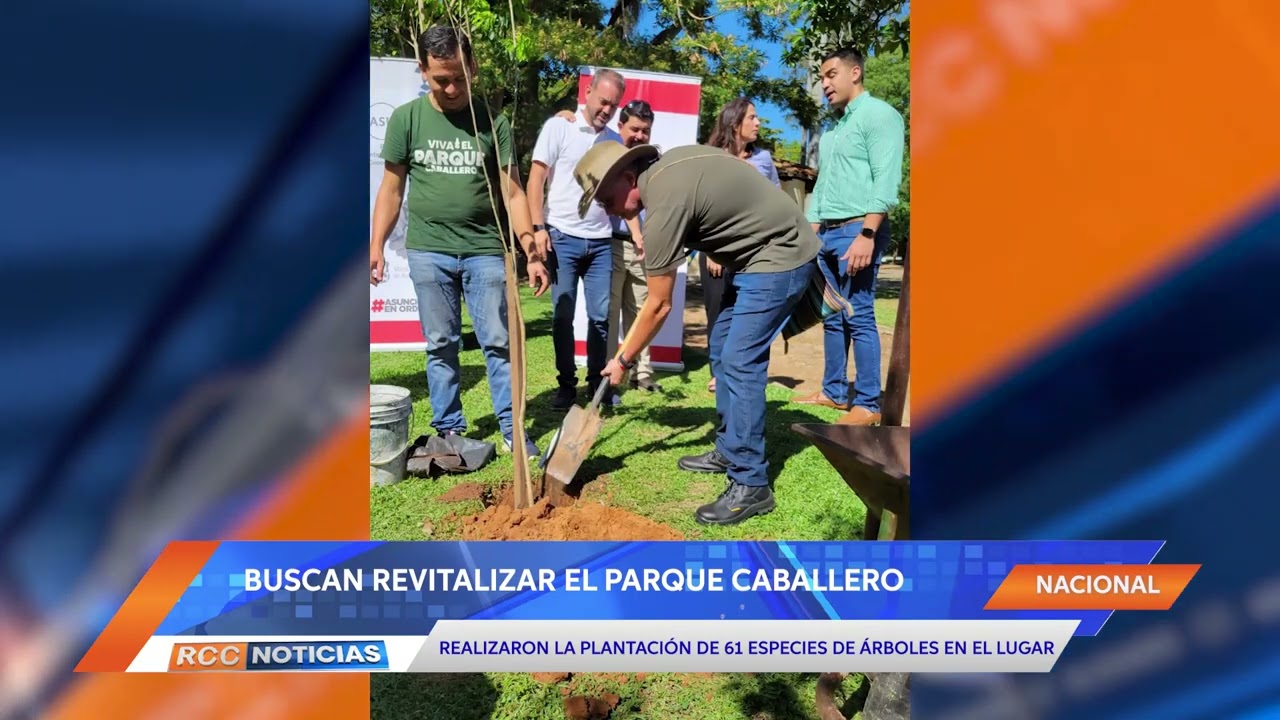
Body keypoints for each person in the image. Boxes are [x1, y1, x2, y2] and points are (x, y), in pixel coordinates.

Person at [574, 141, 820, 526]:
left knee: (740, 361)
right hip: (753, 258)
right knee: (722, 348)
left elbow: (659, 305)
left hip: (780, 255)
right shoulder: (670, 169)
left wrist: (622, 360)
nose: (608, 211)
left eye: (606, 200)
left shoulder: (664, 203)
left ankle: (751, 482)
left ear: (629, 178)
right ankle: (730, 448)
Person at [369, 26, 548, 458]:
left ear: (474, 67)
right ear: (423, 70)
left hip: (485, 250)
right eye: (441, 79)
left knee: (499, 343)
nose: (451, 89)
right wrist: (375, 246)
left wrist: (530, 249)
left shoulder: (493, 121)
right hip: (428, 250)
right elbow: (391, 189)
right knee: (440, 344)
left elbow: (513, 193)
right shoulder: (407, 119)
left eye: (460, 78)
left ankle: (513, 429)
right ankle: (449, 430)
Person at [795, 46, 904, 426]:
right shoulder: (835, 131)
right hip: (827, 232)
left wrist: (868, 233)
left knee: (859, 314)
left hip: (859, 228)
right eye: (822, 78)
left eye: (831, 75)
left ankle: (869, 404)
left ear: (855, 72)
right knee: (831, 314)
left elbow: (886, 179)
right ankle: (834, 392)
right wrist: (809, 234)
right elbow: (823, 187)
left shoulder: (880, 115)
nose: (824, 84)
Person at [528, 70, 626, 410]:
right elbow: (536, 178)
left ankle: (597, 386)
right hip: (561, 237)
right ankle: (566, 386)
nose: (607, 110)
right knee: (562, 315)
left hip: (600, 242)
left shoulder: (614, 141)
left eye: (613, 106)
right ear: (588, 92)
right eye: (603, 102)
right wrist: (538, 227)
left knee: (600, 318)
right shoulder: (559, 127)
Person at [554, 100, 659, 392]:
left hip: (641, 245)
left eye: (645, 131)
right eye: (634, 129)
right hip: (611, 243)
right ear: (620, 126)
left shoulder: (649, 163)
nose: (639, 135)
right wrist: (563, 117)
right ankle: (607, 374)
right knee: (607, 315)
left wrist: (641, 236)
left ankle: (642, 371)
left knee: (642, 308)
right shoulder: (607, 151)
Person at [702, 97, 781, 394]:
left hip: (755, 254)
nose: (758, 123)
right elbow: (705, 207)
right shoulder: (712, 158)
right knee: (719, 311)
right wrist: (713, 250)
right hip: (718, 250)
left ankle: (748, 370)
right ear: (735, 124)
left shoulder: (764, 159)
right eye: (752, 117)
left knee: (752, 313)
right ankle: (718, 372)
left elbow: (775, 201)